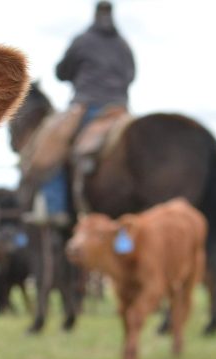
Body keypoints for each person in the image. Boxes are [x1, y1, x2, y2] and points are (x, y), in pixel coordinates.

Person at [36, 0, 135, 221]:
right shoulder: (123, 45)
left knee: (53, 150)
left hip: (89, 105)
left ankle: (56, 209)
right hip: (120, 109)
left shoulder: (82, 41)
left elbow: (62, 71)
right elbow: (131, 76)